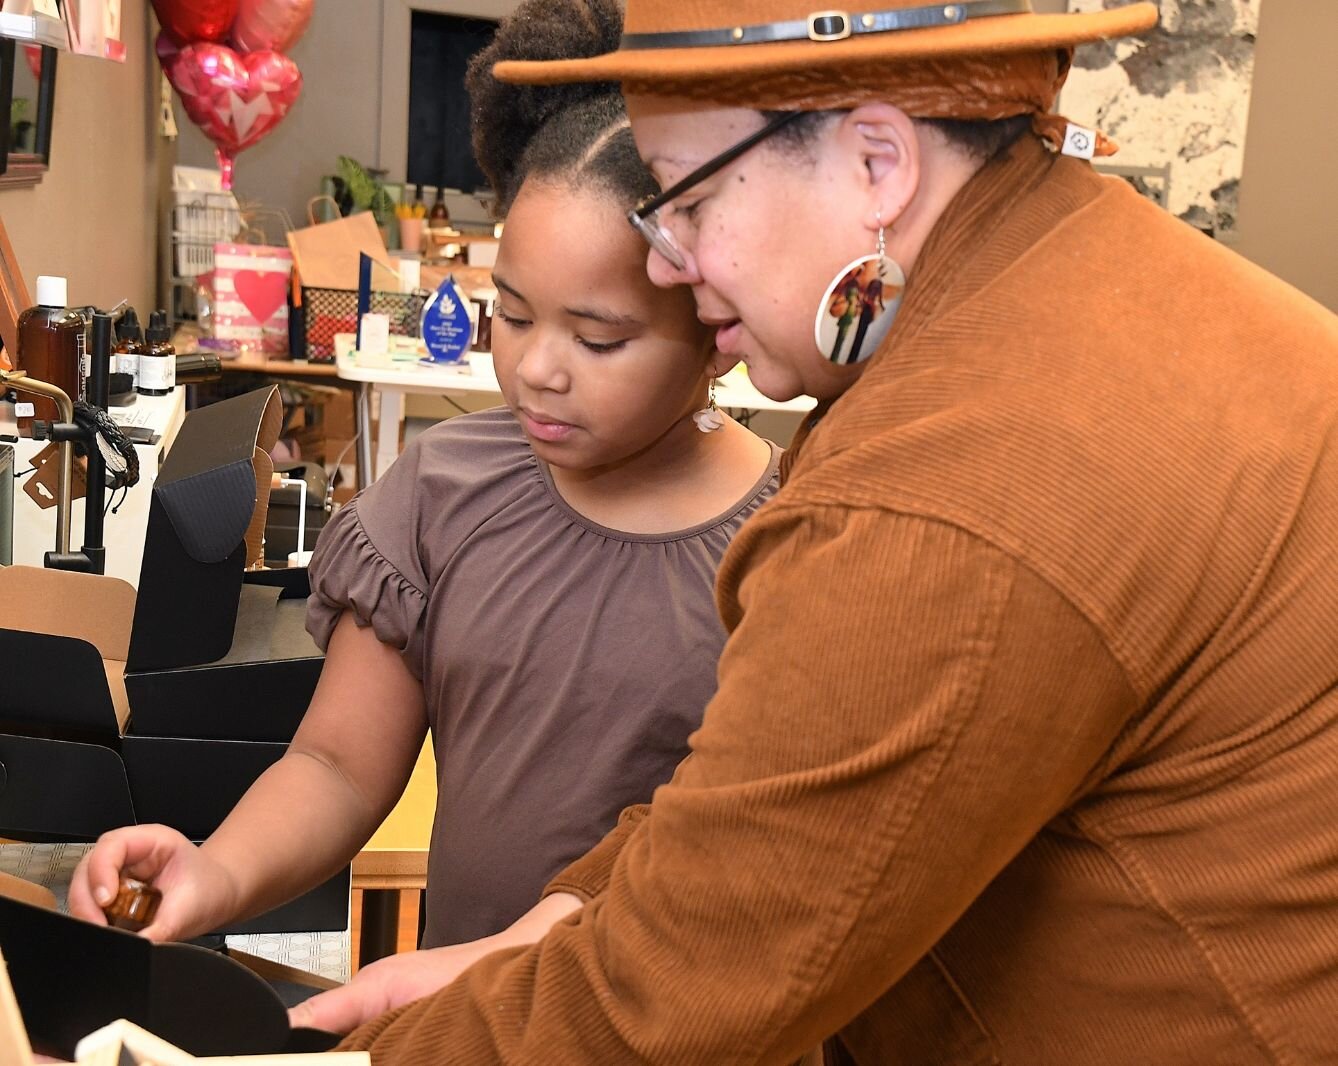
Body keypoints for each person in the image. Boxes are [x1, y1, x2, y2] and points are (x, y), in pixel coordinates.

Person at [304, 1, 1338, 1062]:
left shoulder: (957, 472)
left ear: (878, 162)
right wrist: (537, 936)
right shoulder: (1051, 283)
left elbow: (679, 988)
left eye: (691, 201)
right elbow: (769, 802)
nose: (667, 262)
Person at [67, 0, 779, 959]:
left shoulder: (787, 541)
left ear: (715, 327)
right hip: (459, 1023)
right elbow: (337, 767)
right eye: (514, 316)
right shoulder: (444, 491)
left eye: (599, 337)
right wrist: (218, 870)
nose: (538, 369)